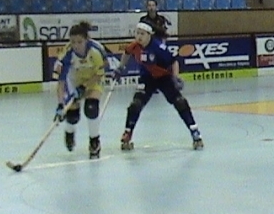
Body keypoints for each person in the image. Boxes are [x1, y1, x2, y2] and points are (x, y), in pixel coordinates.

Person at [112, 22, 202, 150]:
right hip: (147, 78)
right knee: (136, 104)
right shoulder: (135, 46)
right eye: (137, 33)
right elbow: (127, 52)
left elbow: (174, 62)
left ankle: (195, 132)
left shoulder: (158, 47)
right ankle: (128, 132)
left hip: (164, 78)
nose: (139, 36)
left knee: (180, 102)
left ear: (149, 35)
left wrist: (175, 78)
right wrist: (120, 67)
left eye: (142, 34)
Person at [54, 21, 109, 159]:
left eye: (80, 42)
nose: (76, 46)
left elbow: (100, 73)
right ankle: (69, 132)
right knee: (72, 116)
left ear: (86, 40)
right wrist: (60, 104)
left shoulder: (96, 50)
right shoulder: (66, 55)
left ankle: (94, 141)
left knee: (91, 108)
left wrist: (85, 87)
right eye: (73, 42)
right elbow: (61, 82)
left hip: (93, 79)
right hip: (74, 80)